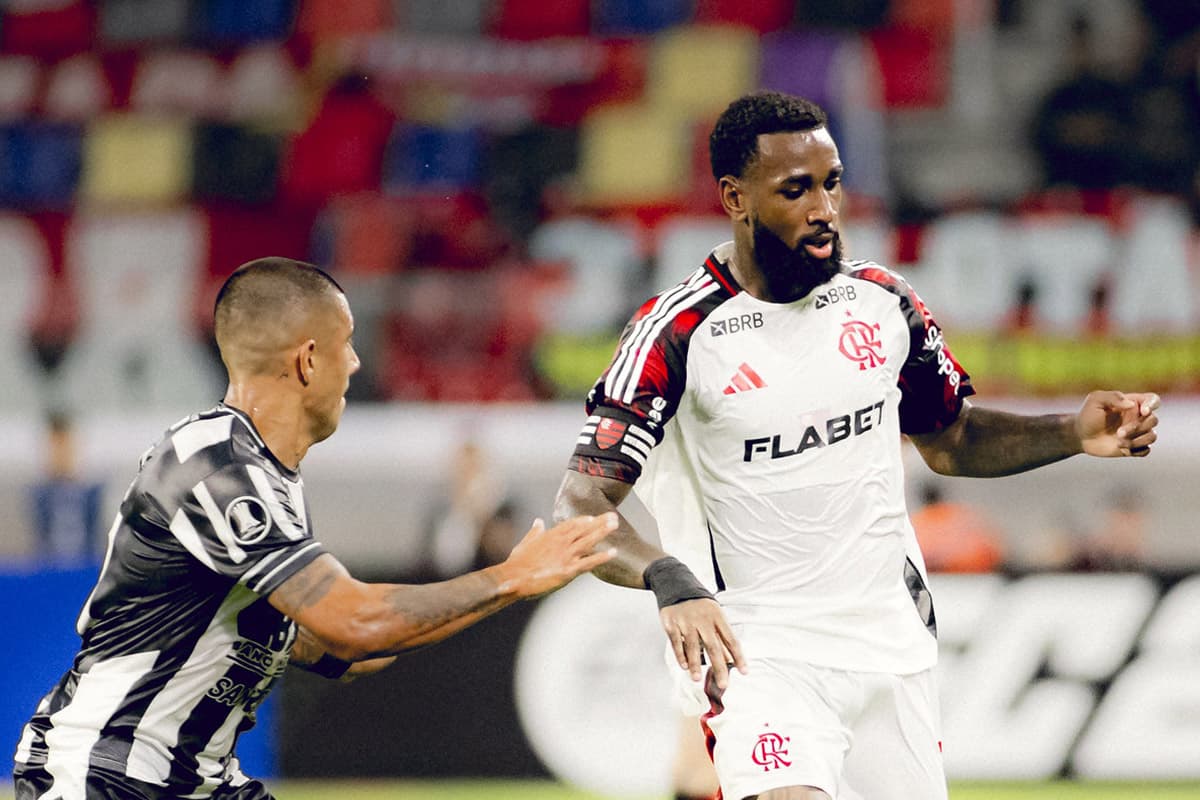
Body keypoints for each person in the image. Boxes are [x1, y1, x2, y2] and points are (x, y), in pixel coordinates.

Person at [553, 91, 1161, 800]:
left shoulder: (883, 302)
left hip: (890, 646)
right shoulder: (677, 333)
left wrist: (1072, 433)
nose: (824, 208)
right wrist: (665, 577)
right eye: (796, 189)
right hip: (759, 653)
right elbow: (579, 502)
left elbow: (951, 438)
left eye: (832, 182)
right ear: (734, 198)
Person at [12, 258, 617, 800]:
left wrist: (509, 588)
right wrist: (511, 578)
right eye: (346, 344)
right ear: (306, 360)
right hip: (106, 772)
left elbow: (343, 650)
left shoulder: (269, 481)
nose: (355, 364)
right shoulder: (213, 463)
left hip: (195, 775)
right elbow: (355, 625)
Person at [908, 481, 1005, 574]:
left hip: (939, 576)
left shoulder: (916, 522)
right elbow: (988, 549)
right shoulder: (961, 516)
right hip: (972, 573)